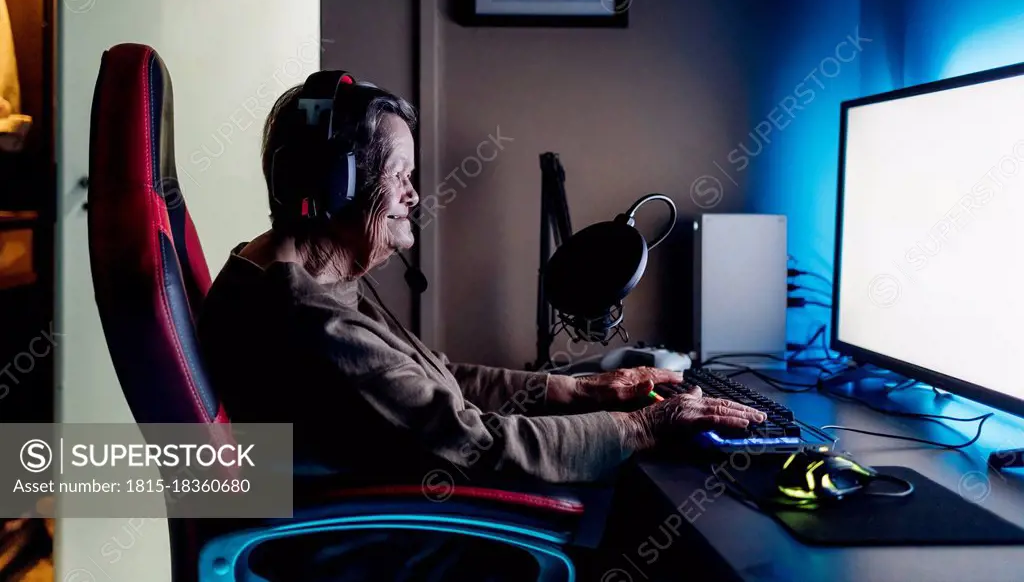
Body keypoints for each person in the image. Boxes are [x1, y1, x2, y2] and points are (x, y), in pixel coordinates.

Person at [197, 75, 766, 486]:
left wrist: (579, 389)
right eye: (401, 177)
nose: (414, 196)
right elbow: (479, 446)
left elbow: (426, 380)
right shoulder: (311, 322)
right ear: (334, 187)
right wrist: (642, 426)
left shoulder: (287, 271)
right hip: (383, 543)